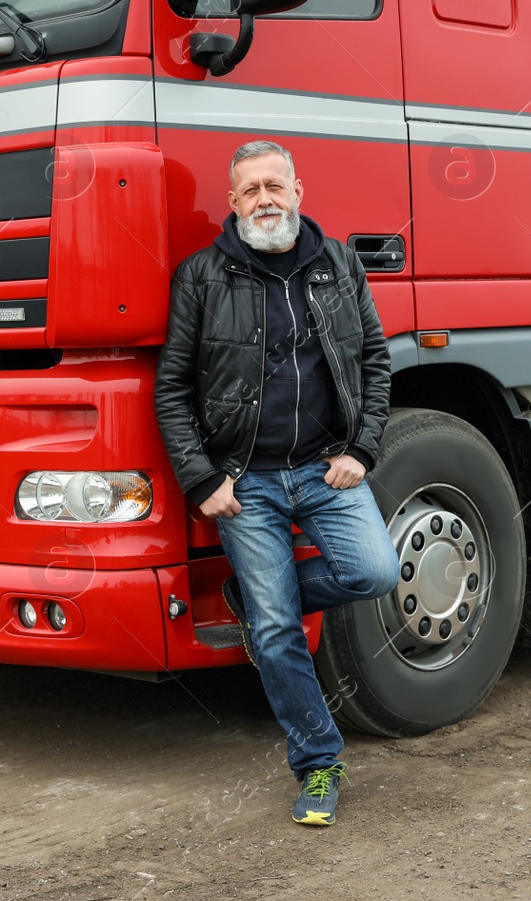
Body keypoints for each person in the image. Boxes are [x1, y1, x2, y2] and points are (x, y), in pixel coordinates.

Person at [154, 140, 399, 827]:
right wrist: (202, 478)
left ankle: (256, 599)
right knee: (278, 629)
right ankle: (319, 761)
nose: (264, 199)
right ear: (232, 204)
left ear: (299, 189)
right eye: (249, 190)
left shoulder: (339, 263)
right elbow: (171, 387)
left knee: (377, 570)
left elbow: (375, 360)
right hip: (245, 481)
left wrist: (363, 449)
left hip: (327, 468)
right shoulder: (201, 276)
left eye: (274, 185)